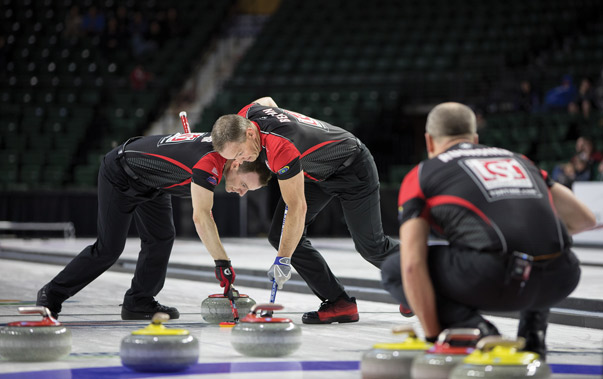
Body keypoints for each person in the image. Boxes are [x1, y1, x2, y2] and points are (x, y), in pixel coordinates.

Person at [381, 102, 596, 359]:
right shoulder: (519, 160)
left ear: (429, 142)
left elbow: (411, 266)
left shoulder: (422, 174)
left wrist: (432, 335)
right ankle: (533, 336)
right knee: (537, 244)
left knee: (393, 268)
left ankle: (477, 329)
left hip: (493, 280)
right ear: (475, 138)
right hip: (561, 278)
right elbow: (585, 219)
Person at [37, 131, 272, 320]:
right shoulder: (209, 163)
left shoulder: (223, 148)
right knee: (108, 249)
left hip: (153, 183)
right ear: (236, 163)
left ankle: (138, 302)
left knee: (161, 237)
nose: (241, 193)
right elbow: (201, 217)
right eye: (243, 185)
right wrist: (222, 262)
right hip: (121, 173)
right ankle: (52, 294)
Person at [210, 97, 399, 324]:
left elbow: (296, 207)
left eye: (240, 153)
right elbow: (266, 101)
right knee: (281, 236)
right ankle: (339, 302)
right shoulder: (246, 115)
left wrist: (283, 259)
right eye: (235, 158)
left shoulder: (280, 146)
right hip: (315, 173)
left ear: (250, 134)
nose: (241, 160)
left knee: (371, 246)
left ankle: (423, 276)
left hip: (351, 167)